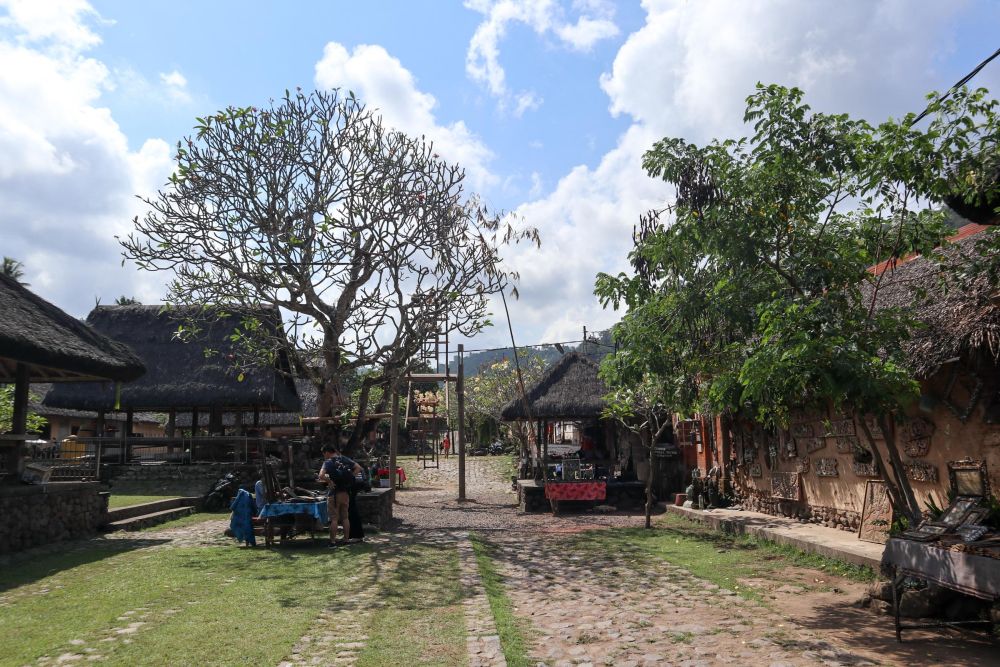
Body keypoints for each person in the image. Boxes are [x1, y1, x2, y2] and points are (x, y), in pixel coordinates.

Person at [318, 444, 362, 545]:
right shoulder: (344, 459)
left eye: (324, 454)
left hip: (334, 493)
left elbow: (321, 475)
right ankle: (346, 539)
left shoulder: (328, 462)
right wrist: (351, 477)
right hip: (345, 493)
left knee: (334, 519)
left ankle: (333, 542)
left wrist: (329, 481)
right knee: (345, 517)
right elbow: (358, 468)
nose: (324, 456)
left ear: (327, 452)